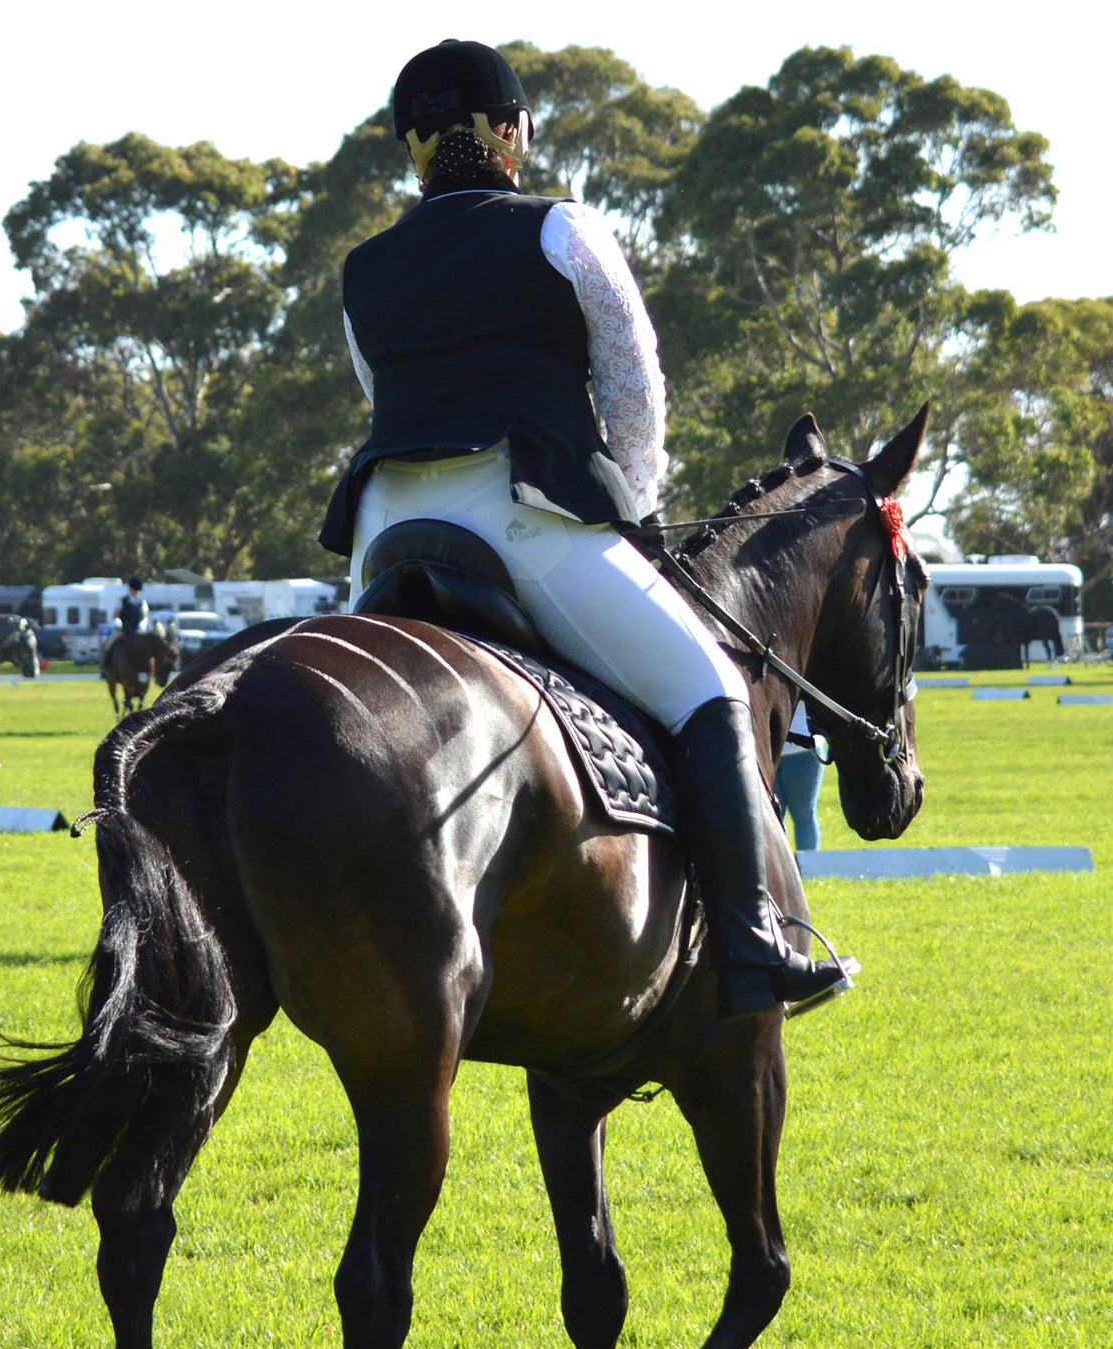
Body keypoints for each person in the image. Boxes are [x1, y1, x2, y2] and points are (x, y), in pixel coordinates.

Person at [319, 39, 850, 1019]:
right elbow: (636, 387)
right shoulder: (561, 229)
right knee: (708, 691)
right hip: (523, 517)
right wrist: (638, 513)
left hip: (386, 532)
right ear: (509, 131)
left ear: (414, 148)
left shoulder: (363, 270)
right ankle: (751, 942)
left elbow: (382, 392)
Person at [774, 703, 827, 852]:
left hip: (803, 748)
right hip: (770, 748)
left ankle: (808, 871)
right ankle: (781, 872)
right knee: (775, 818)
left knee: (803, 815)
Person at [101, 576, 149, 679]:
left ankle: (148, 669)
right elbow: (115, 615)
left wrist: (143, 624)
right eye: (134, 590)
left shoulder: (142, 602)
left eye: (137, 590)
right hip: (123, 630)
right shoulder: (122, 601)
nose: (135, 592)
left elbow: (145, 616)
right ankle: (106, 667)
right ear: (130, 589)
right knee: (109, 644)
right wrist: (117, 621)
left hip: (137, 631)